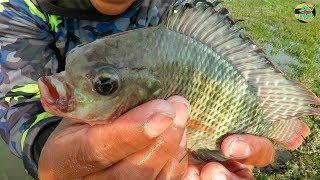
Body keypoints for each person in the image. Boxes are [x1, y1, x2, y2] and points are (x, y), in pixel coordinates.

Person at [0, 0, 275, 179]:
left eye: (104, 85)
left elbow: (244, 69)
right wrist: (48, 149)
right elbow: (16, 104)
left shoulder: (186, 7)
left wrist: (261, 134)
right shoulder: (19, 11)